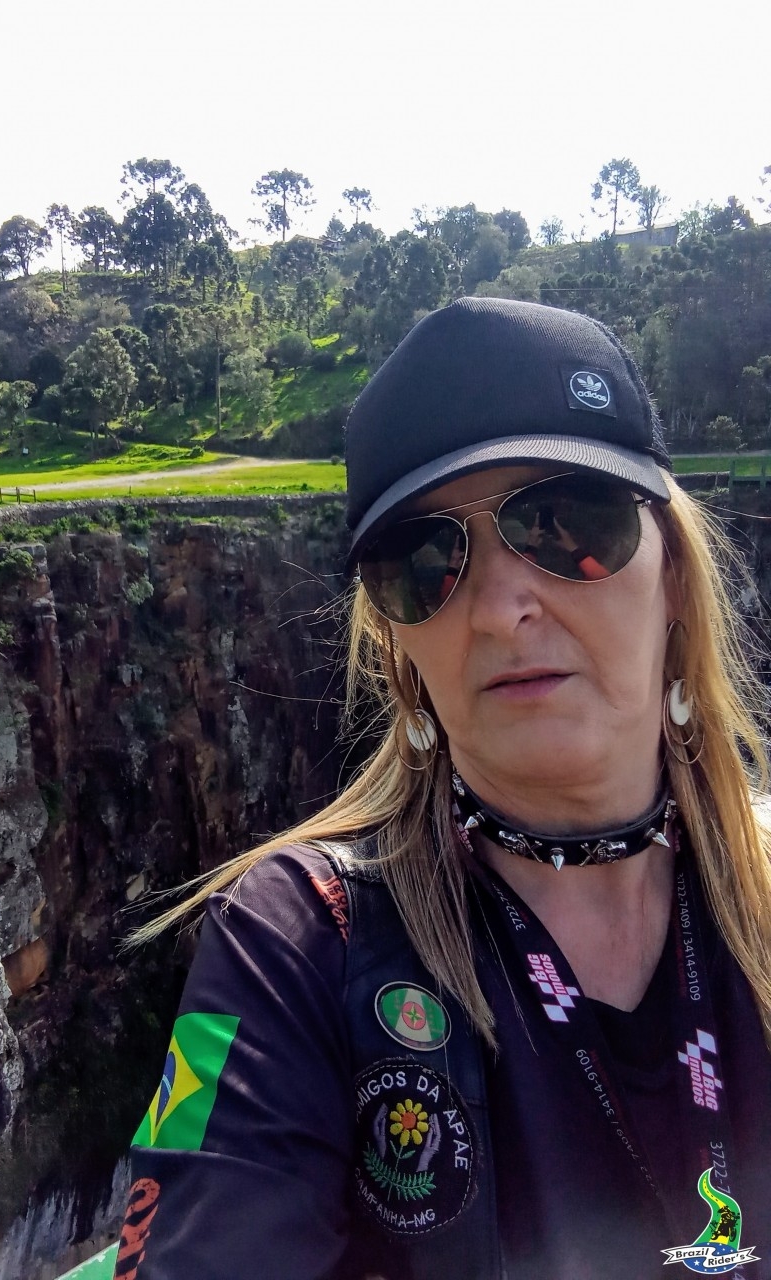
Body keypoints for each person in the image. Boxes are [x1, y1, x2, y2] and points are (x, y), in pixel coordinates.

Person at [112, 298, 771, 1280]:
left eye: (564, 523)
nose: (502, 608)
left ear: (672, 570)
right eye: (425, 563)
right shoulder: (292, 943)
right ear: (397, 640)